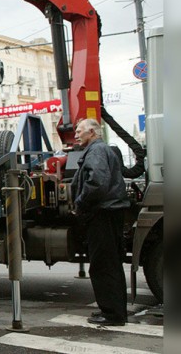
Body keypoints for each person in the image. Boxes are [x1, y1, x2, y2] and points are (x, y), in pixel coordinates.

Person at [71, 118, 131, 326]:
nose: (76, 135)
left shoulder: (96, 151)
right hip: (109, 212)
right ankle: (115, 311)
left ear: (92, 132)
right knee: (111, 264)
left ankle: (112, 314)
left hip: (102, 213)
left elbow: (96, 182)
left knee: (102, 265)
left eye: (79, 131)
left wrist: (80, 202)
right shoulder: (101, 149)